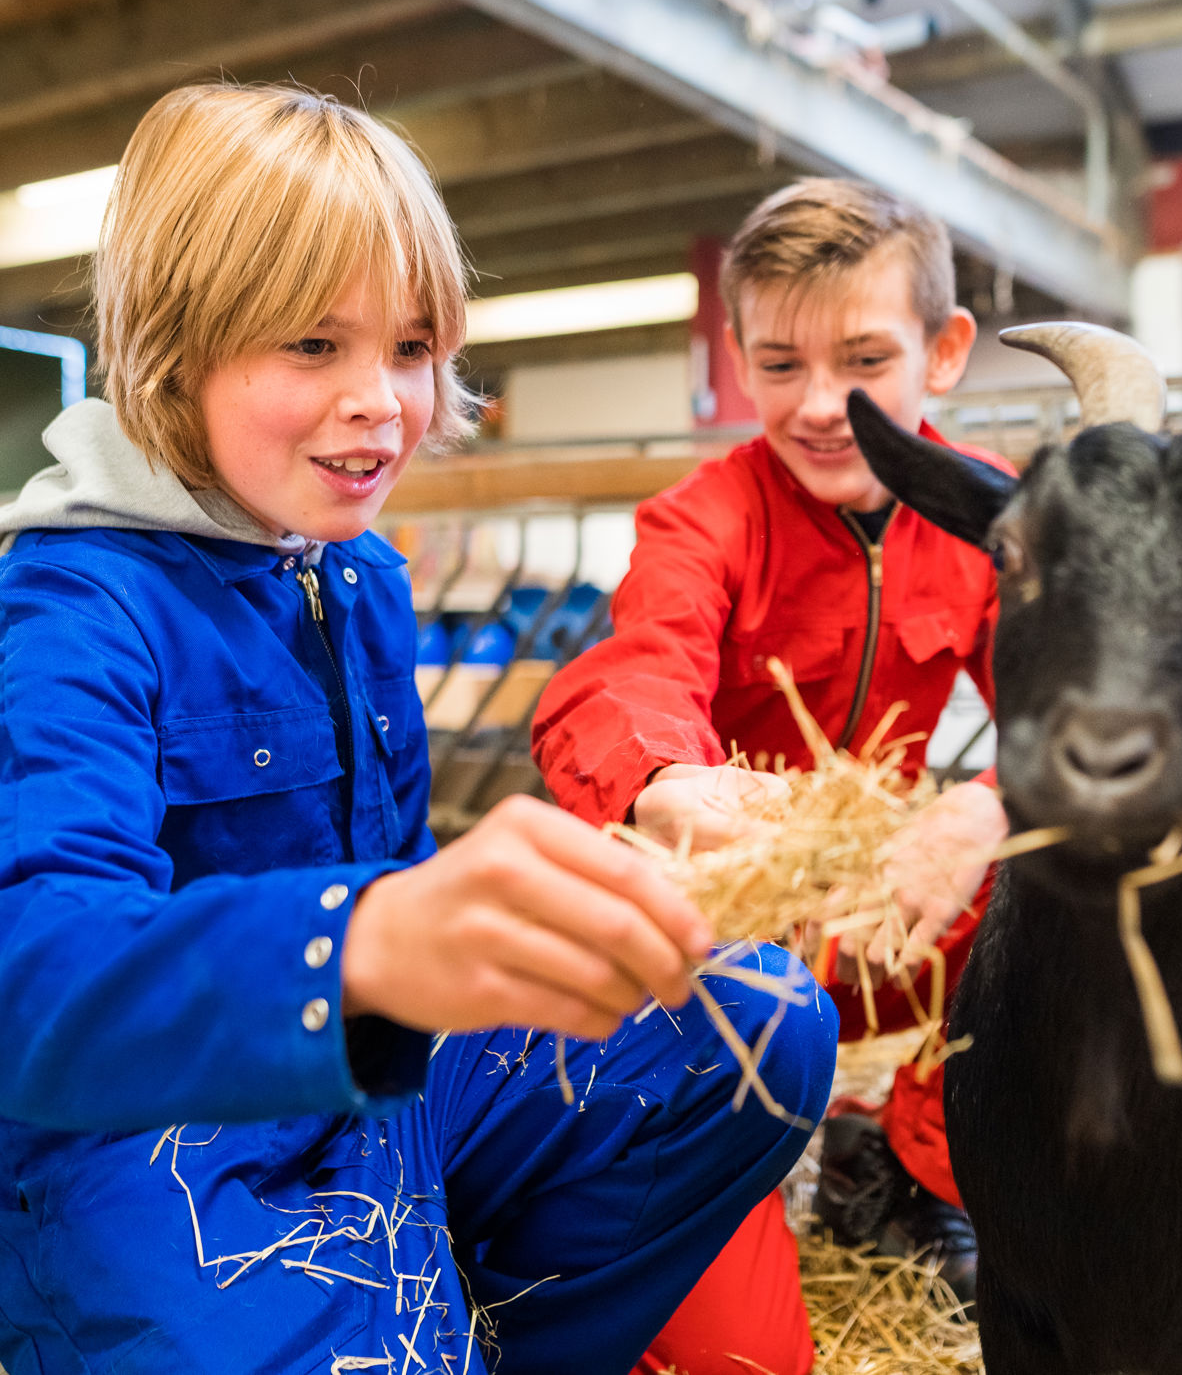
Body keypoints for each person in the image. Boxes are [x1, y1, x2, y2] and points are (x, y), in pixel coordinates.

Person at [0, 83, 837, 1375]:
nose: (382, 401)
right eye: (312, 347)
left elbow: (395, 879)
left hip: (361, 1079)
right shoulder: (75, 606)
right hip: (145, 1137)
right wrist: (366, 940)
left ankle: (466, 1335)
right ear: (173, 348)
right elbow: (35, 972)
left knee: (755, 1025)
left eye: (411, 345)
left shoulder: (357, 574)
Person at [531, 178, 1013, 1375]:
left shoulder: (994, 514)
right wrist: (671, 788)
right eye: (781, 363)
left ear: (943, 353)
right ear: (741, 359)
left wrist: (987, 806)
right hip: (729, 925)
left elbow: (1069, 711)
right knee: (738, 1345)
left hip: (890, 910)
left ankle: (913, 1167)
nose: (820, 406)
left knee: (1058, 885)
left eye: (863, 358)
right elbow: (632, 672)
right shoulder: (704, 521)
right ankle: (697, 1179)